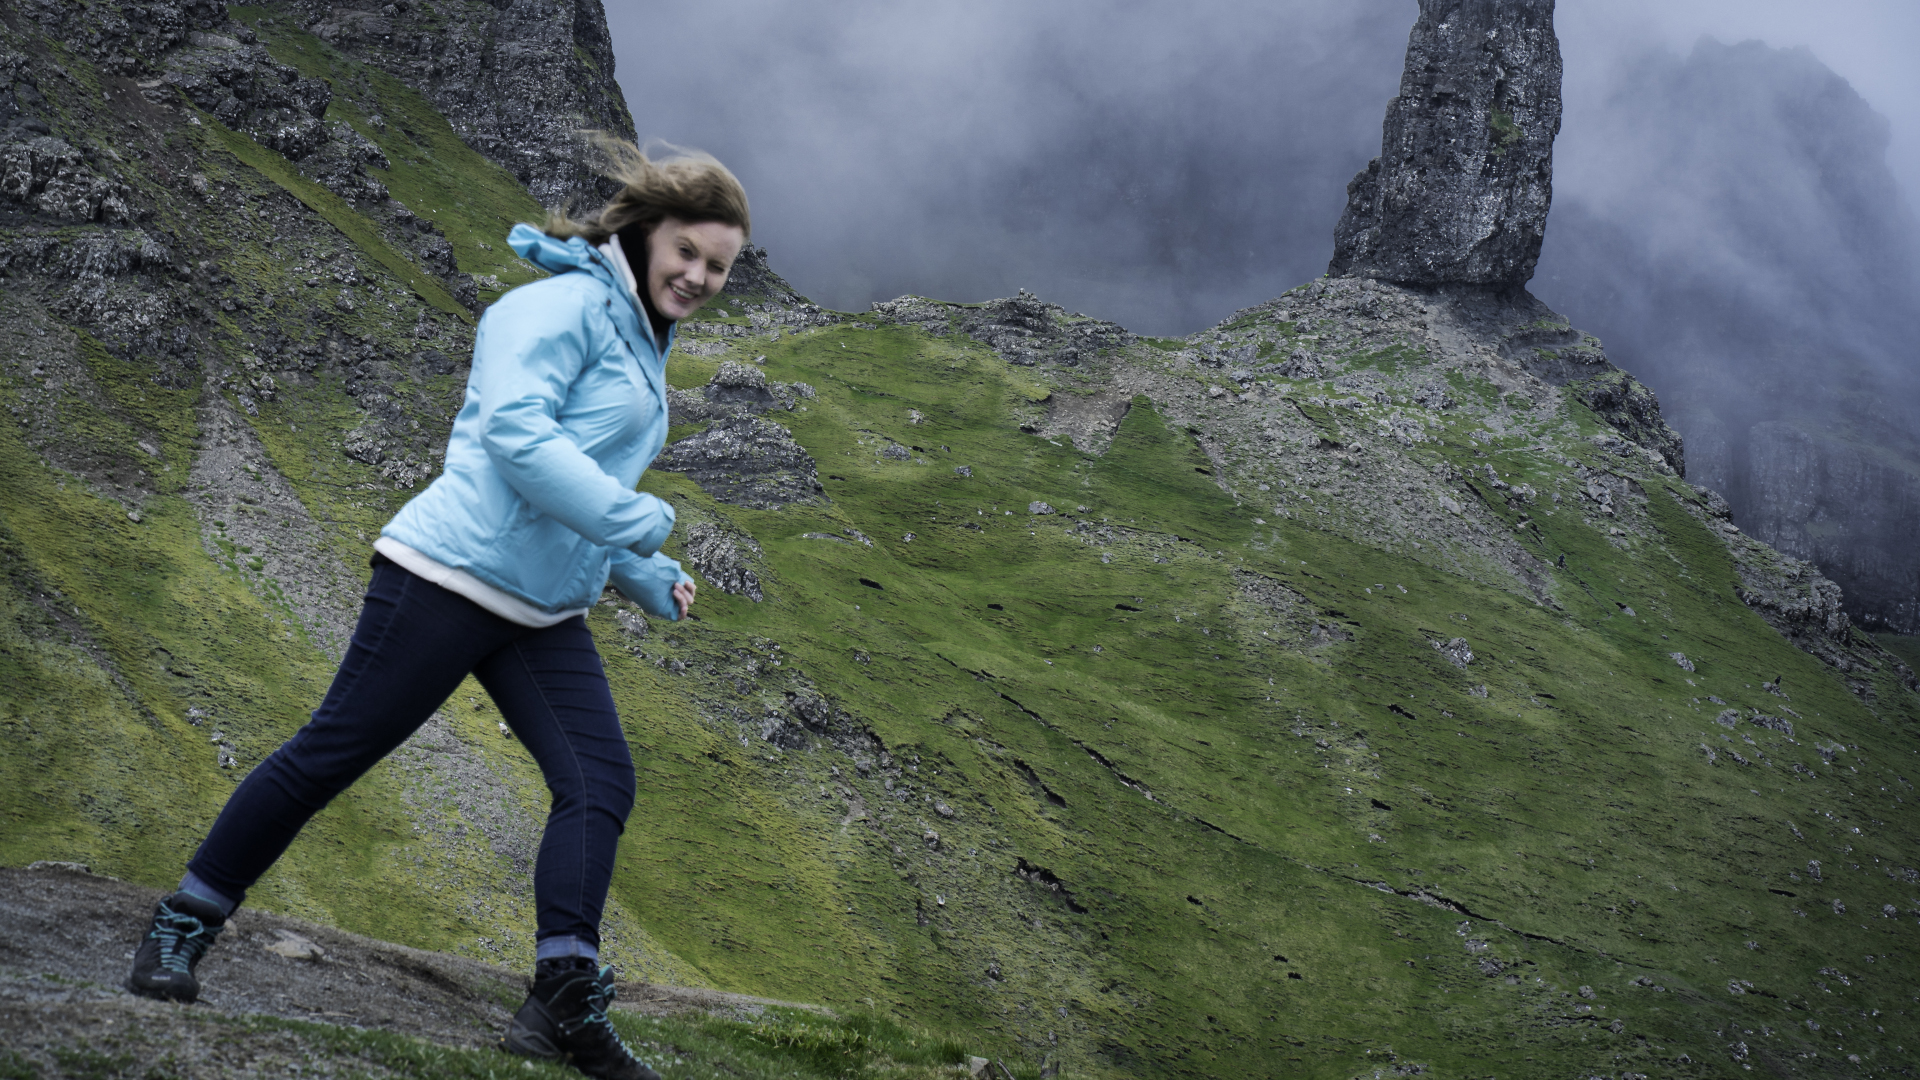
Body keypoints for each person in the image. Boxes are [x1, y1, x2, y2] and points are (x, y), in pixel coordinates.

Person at [125, 141, 750, 1080]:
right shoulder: (558, 306)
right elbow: (515, 435)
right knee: (331, 753)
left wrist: (640, 567)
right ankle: (181, 924)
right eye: (689, 253)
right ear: (647, 231)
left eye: (718, 267)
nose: (699, 277)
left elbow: (584, 472)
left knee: (599, 781)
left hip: (543, 610)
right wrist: (640, 516)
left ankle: (561, 1000)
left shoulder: (639, 333)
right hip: (448, 576)